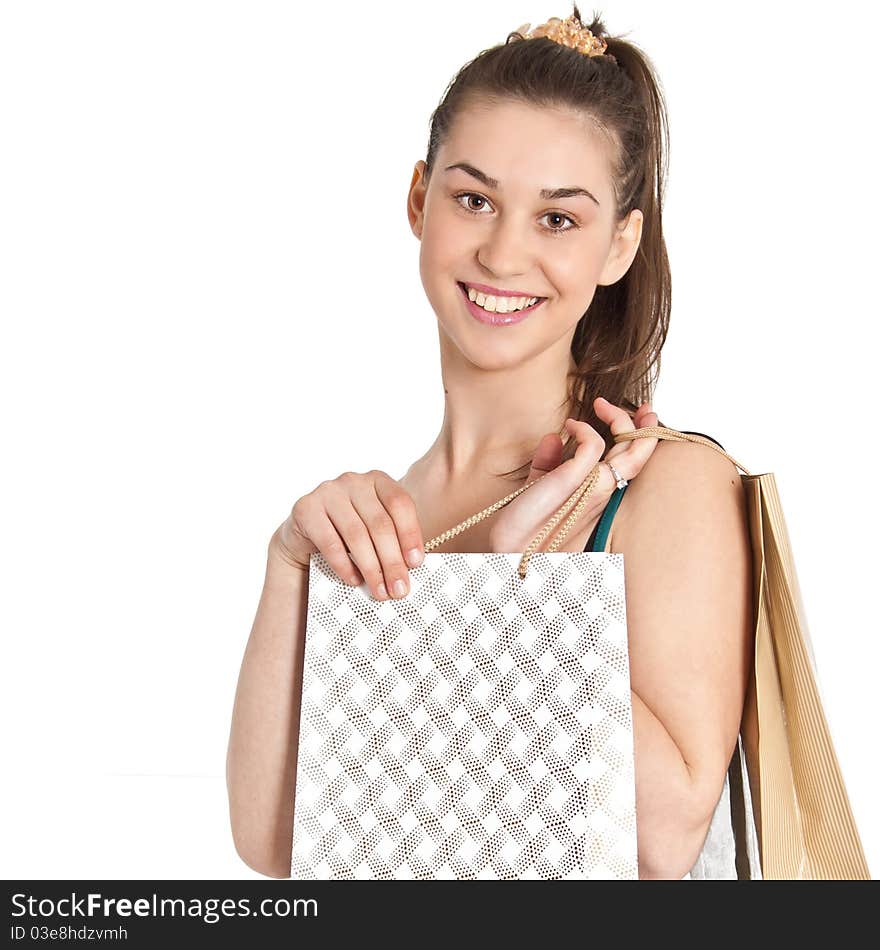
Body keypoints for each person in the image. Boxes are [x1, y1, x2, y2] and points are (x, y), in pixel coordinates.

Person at [226, 5, 756, 880]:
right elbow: (275, 839)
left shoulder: (667, 487)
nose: (505, 255)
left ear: (619, 244)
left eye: (558, 219)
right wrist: (291, 563)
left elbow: (666, 843)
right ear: (417, 200)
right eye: (474, 199)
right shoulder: (386, 518)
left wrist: (527, 595)